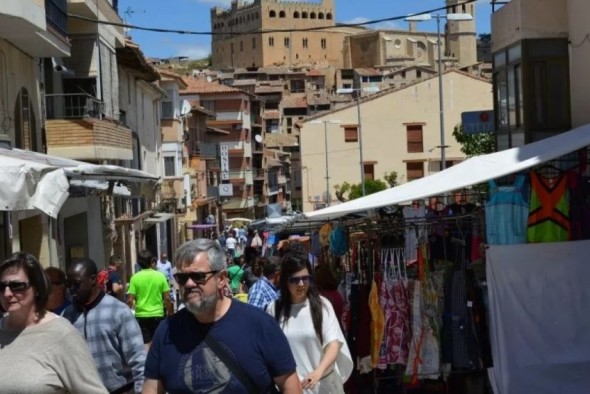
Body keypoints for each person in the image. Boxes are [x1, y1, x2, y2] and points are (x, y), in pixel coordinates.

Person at [142, 238, 302, 394]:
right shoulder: (167, 332)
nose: (189, 284)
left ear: (222, 279)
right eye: (183, 278)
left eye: (198, 277)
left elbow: (291, 387)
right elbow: (151, 389)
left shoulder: (259, 325)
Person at [0, 252, 107, 393]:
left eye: (17, 286)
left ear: (37, 289)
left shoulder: (62, 334)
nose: (7, 293)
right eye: (2, 286)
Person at [267, 252, 353, 394]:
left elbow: (333, 344)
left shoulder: (322, 305)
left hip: (324, 386)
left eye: (305, 278)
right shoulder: (274, 309)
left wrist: (318, 372)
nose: (301, 284)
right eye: (295, 280)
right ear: (284, 281)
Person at [64, 258, 146, 394]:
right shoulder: (67, 316)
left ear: (93, 279)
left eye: (76, 284)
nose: (72, 289)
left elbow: (139, 360)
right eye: (69, 284)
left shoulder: (118, 311)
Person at [127, 250, 172, 346]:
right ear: (152, 261)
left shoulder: (134, 278)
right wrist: (170, 313)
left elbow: (130, 300)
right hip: (158, 315)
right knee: (159, 343)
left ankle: (148, 360)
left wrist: (128, 313)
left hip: (141, 316)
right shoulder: (160, 276)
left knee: (145, 344)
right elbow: (167, 298)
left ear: (138, 263)